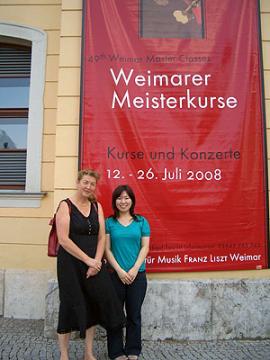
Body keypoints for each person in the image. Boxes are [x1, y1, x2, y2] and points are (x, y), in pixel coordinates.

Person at [55, 169, 125, 360]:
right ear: (78, 183)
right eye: (85, 182)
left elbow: (102, 236)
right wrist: (88, 260)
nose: (88, 187)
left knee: (94, 303)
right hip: (70, 264)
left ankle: (88, 353)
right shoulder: (65, 205)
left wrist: (96, 262)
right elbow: (63, 240)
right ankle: (64, 354)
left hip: (94, 263)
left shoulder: (96, 206)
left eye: (92, 184)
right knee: (69, 304)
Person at [105, 185, 150, 360]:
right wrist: (120, 271)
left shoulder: (141, 222)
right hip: (115, 276)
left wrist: (133, 269)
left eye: (126, 198)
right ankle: (116, 352)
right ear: (114, 201)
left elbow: (145, 247)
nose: (123, 202)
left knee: (134, 315)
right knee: (115, 315)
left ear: (132, 200)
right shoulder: (109, 222)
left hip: (137, 276)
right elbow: (107, 250)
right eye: (119, 198)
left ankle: (133, 349)